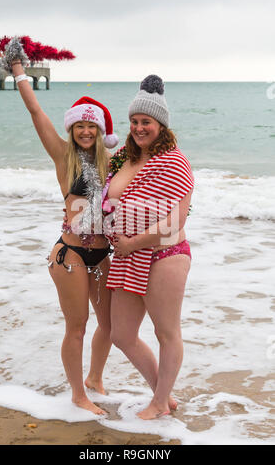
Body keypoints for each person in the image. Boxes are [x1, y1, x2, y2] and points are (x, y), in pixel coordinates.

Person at [0, 38, 119, 415]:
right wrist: (18, 70)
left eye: (91, 127)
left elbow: (147, 149)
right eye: (80, 126)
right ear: (72, 129)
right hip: (69, 254)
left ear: (100, 132)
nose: (85, 131)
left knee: (111, 325)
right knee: (77, 326)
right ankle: (77, 394)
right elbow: (37, 114)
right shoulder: (62, 154)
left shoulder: (111, 162)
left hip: (102, 253)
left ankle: (95, 379)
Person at [102, 75, 194, 420]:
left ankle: (159, 403)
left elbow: (176, 220)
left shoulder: (173, 160)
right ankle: (163, 393)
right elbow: (106, 197)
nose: (140, 127)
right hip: (127, 255)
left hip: (165, 254)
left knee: (166, 332)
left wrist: (133, 242)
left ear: (161, 124)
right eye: (135, 121)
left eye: (147, 122)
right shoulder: (124, 156)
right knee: (121, 334)